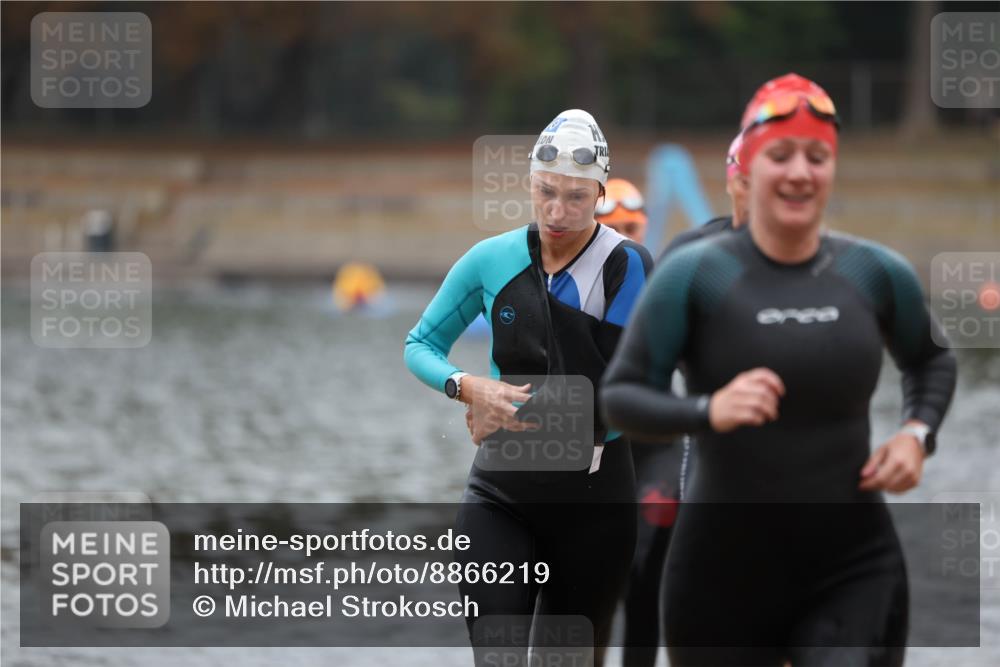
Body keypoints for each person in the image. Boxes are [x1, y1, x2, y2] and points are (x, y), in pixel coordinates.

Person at [600, 74, 957, 667]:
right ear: (746, 170)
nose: (799, 172)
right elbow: (623, 398)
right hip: (721, 570)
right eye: (781, 155)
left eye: (817, 157)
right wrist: (708, 410)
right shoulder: (695, 274)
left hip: (851, 565)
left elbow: (931, 359)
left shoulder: (872, 273)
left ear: (833, 168)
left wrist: (917, 434)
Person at [405, 109, 653, 666]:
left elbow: (621, 393)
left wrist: (514, 404)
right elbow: (419, 346)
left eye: (575, 198)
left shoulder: (627, 266)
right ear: (530, 185)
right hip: (501, 498)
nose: (558, 212)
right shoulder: (491, 259)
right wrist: (467, 387)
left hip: (596, 508)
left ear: (600, 195)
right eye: (546, 193)